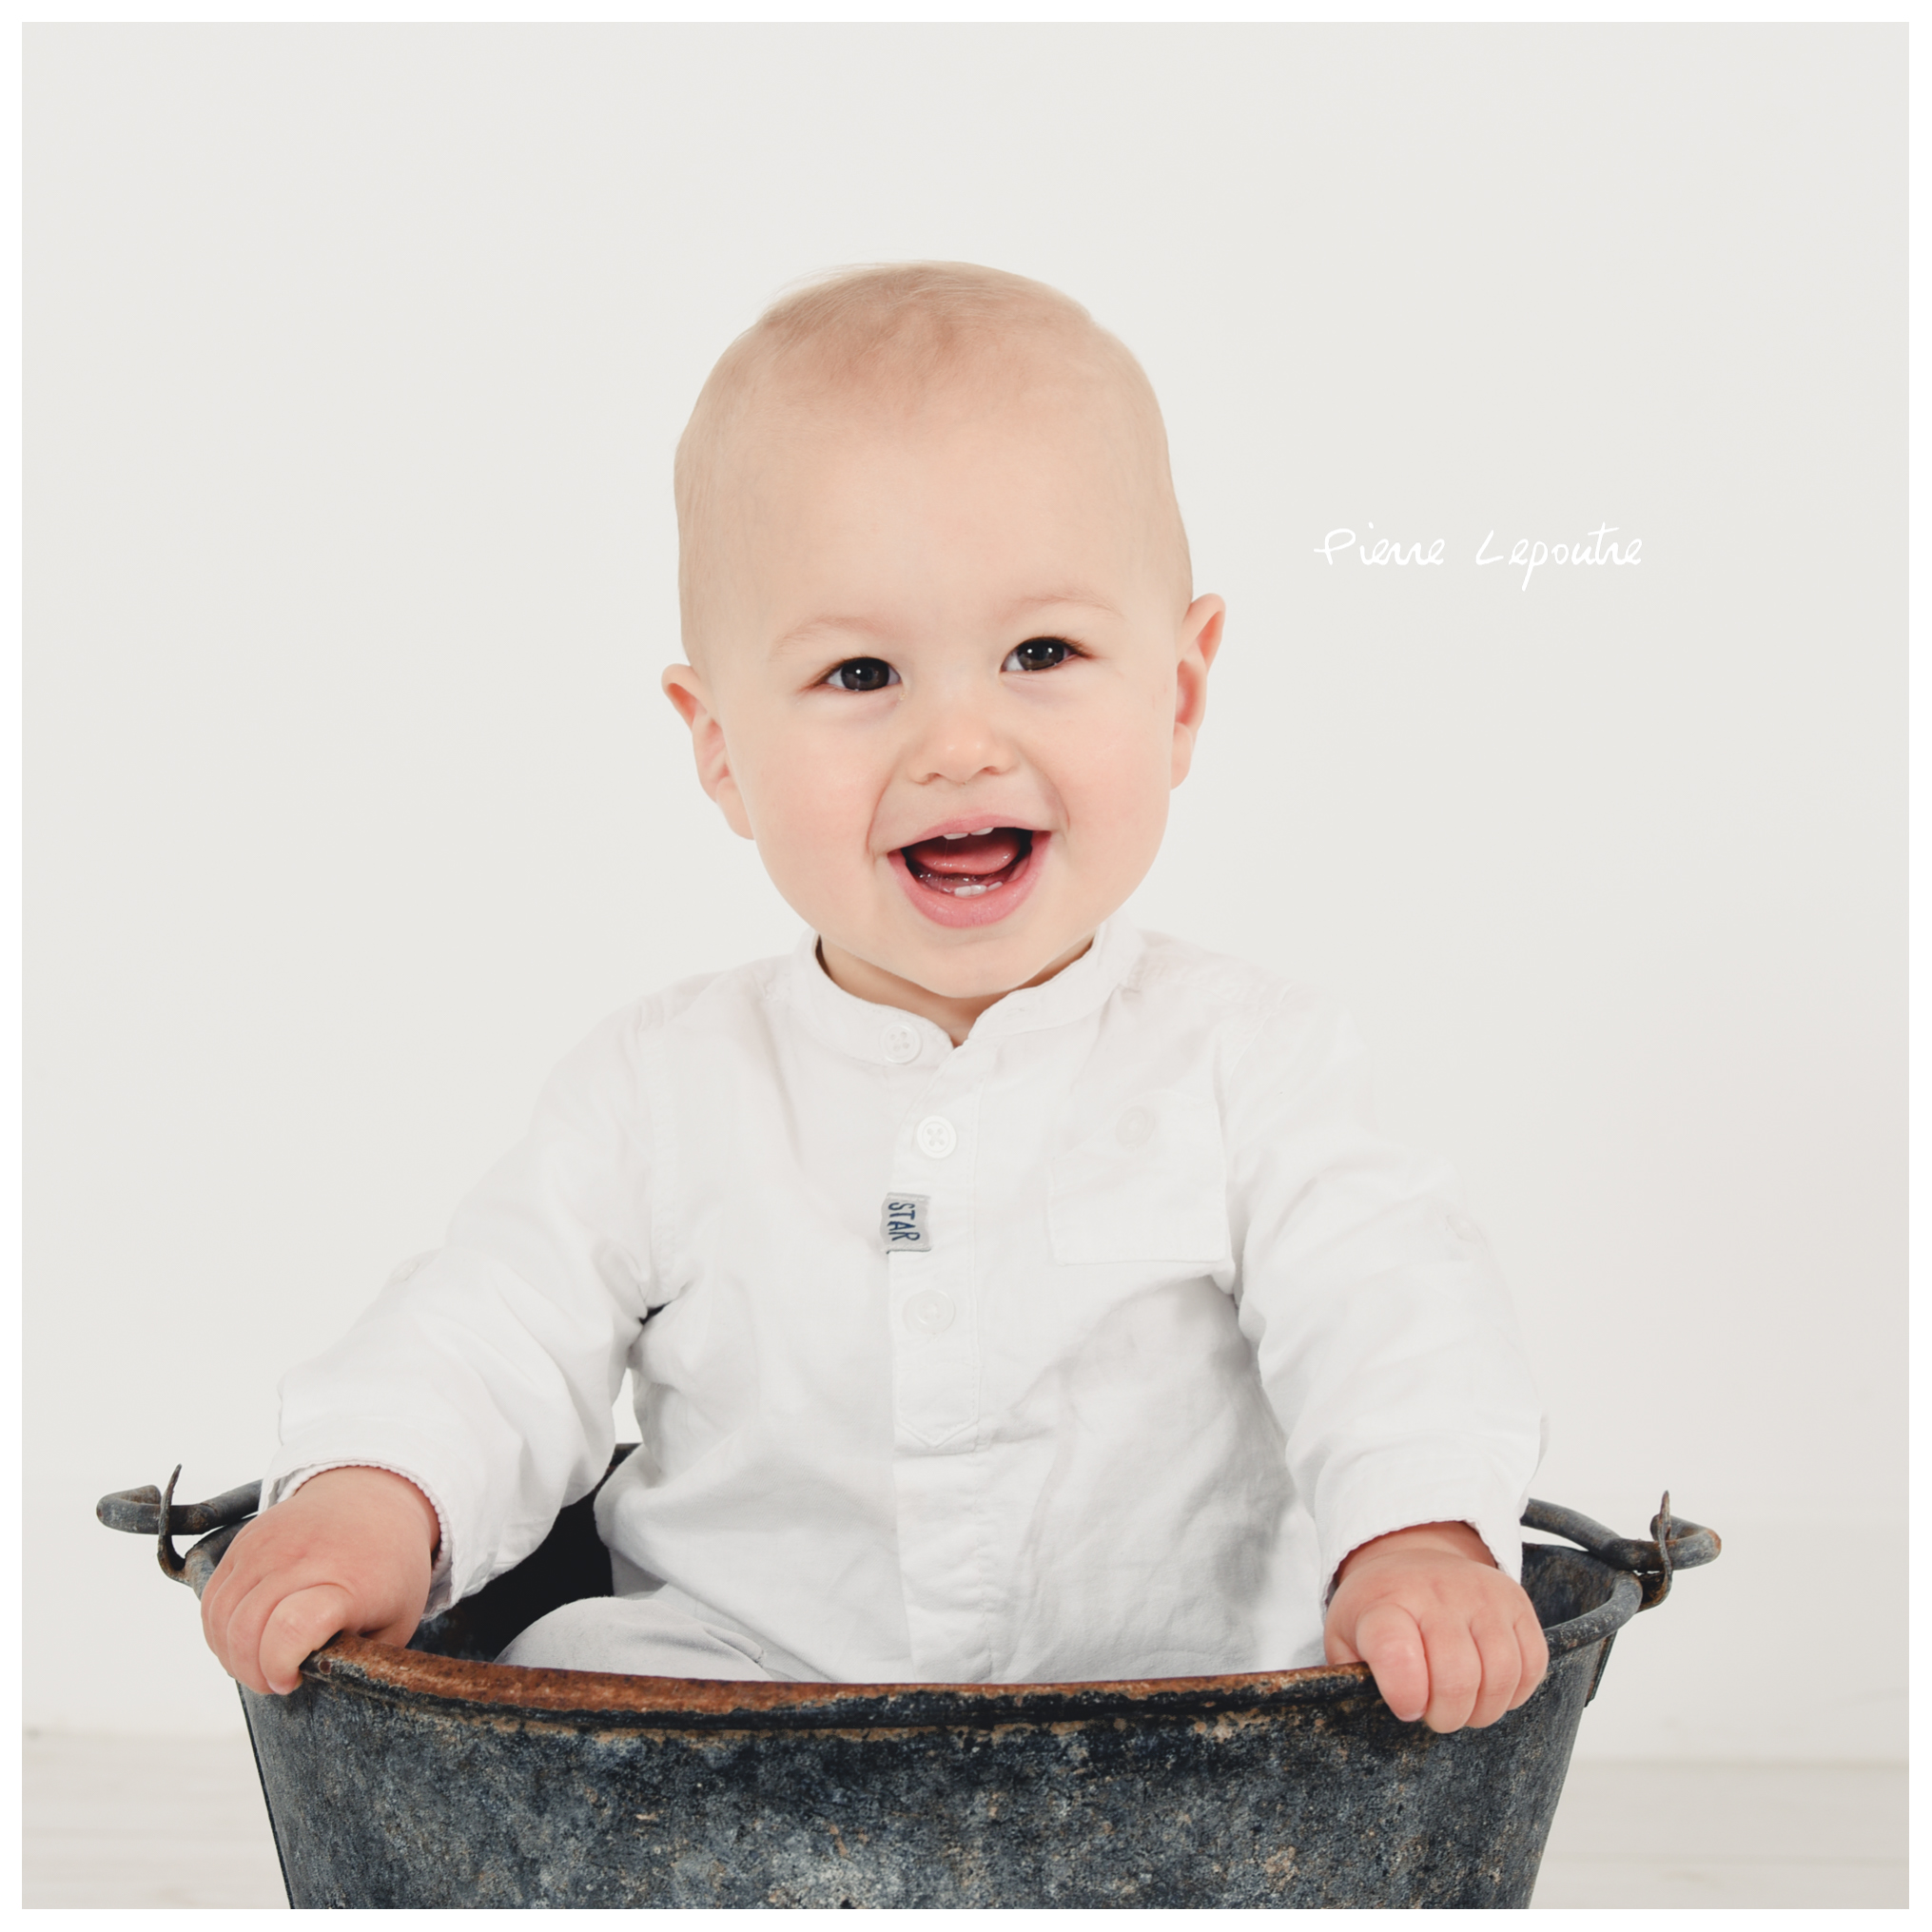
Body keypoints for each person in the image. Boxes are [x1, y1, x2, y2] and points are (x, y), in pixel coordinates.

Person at [201, 263, 1549, 1734]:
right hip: (740, 1688)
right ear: (719, 746)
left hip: (1172, 1710)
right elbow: (490, 1326)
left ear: (1177, 692)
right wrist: (371, 1489)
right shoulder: (663, 1088)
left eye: (1042, 652)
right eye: (860, 673)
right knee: (568, 1708)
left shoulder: (1249, 1062)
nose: (959, 741)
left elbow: (1389, 1310)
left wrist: (1417, 1536)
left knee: (1318, 1706)